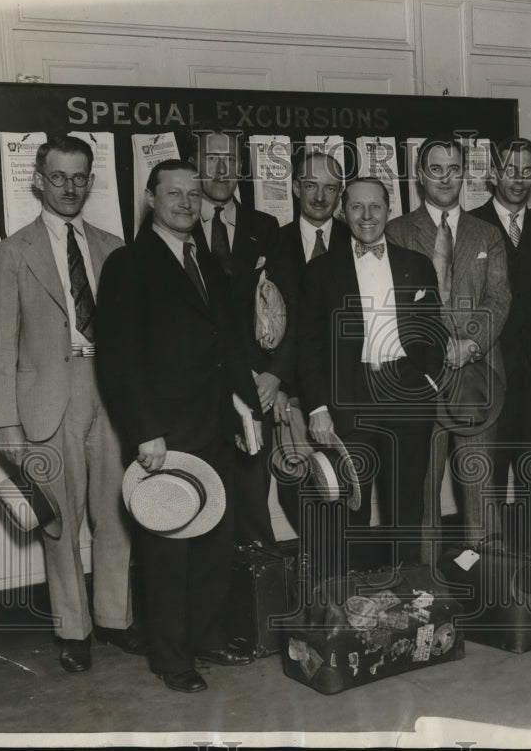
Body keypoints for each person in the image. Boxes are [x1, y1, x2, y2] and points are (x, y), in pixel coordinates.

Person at [97, 160, 261, 693]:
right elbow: (119, 360)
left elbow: (230, 342)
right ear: (151, 198)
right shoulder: (129, 263)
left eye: (194, 193)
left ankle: (205, 637)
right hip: (164, 433)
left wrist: (245, 408)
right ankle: (172, 659)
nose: (187, 202)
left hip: (214, 423)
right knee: (166, 548)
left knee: (213, 538)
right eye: (174, 193)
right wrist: (144, 431)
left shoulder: (207, 261)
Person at [0, 135, 142, 673]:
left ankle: (116, 619)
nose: (70, 187)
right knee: (59, 520)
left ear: (90, 180)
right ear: (38, 179)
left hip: (112, 387)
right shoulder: (13, 252)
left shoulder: (113, 245)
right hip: (49, 397)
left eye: (80, 177)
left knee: (117, 512)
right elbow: (1, 344)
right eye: (59, 177)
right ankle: (73, 630)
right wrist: (7, 423)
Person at [297, 177, 444, 569]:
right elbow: (307, 346)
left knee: (405, 504)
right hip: (349, 392)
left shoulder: (417, 265)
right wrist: (317, 408)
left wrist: (429, 381)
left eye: (375, 206)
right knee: (351, 505)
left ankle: (408, 603)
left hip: (407, 390)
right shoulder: (320, 271)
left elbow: (435, 332)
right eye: (357, 207)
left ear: (388, 209)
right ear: (343, 211)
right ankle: (355, 607)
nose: (366, 216)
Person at [386, 139, 511, 555]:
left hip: (476, 378)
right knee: (423, 495)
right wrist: (437, 350)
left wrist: (469, 345)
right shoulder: (397, 231)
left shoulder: (488, 234)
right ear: (421, 176)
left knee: (479, 492)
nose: (445, 177)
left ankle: (486, 589)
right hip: (420, 382)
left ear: (464, 173)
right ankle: (428, 593)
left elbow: (499, 299)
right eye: (435, 169)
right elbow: (393, 305)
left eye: (453, 168)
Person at [186, 121, 284, 549]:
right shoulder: (176, 228)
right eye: (212, 161)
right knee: (203, 503)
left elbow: (286, 309)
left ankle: (259, 606)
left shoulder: (265, 226)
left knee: (253, 505)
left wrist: (274, 375)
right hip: (199, 393)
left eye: (230, 161)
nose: (222, 171)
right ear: (194, 166)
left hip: (254, 390)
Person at [469, 137, 531, 542]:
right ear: (494, 174)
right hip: (488, 372)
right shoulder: (471, 225)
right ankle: (493, 570)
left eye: (527, 171)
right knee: (488, 473)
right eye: (510, 170)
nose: (518, 179)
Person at [270, 151, 352, 532]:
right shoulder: (271, 242)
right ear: (294, 187)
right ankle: (316, 580)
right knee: (300, 490)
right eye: (311, 186)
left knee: (348, 492)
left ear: (341, 193)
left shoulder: (358, 240)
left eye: (331, 188)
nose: (320, 197)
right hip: (292, 395)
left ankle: (346, 583)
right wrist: (275, 383)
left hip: (346, 393)